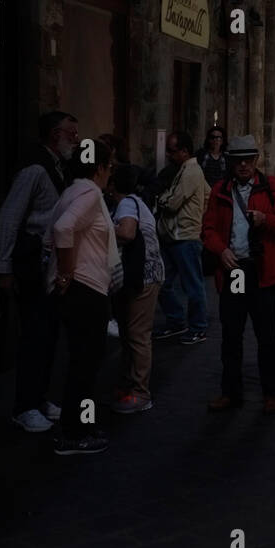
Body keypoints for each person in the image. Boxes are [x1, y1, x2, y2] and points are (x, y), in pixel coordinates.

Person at [0, 111, 80, 432]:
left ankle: (39, 397)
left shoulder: (56, 166)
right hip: (32, 263)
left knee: (48, 335)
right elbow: (8, 218)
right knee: (34, 335)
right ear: (55, 135)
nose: (76, 139)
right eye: (71, 134)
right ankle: (24, 406)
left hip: (50, 264)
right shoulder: (34, 169)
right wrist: (2, 267)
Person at [202, 135, 275, 414]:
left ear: (256, 160)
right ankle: (230, 393)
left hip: (263, 271)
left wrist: (266, 220)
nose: (243, 165)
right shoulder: (220, 190)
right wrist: (220, 250)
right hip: (233, 270)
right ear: (231, 162)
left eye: (248, 159)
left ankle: (272, 393)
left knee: (266, 336)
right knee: (231, 335)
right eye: (238, 160)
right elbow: (207, 229)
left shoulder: (273, 188)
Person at [45, 139, 118, 457]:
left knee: (81, 363)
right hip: (85, 290)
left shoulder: (72, 190)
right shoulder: (89, 192)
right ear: (99, 167)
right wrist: (66, 272)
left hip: (81, 290)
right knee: (86, 366)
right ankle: (76, 433)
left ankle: (80, 427)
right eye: (110, 165)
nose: (110, 172)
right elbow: (62, 229)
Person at [110, 164, 165, 414]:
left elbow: (127, 233)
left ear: (112, 186)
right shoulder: (135, 201)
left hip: (144, 276)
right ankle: (127, 385)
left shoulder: (126, 204)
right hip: (142, 276)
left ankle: (141, 393)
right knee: (130, 333)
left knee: (137, 334)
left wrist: (101, 230)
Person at [154, 131, 211, 346]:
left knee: (193, 286)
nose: (169, 154)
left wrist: (161, 199)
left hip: (184, 237)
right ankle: (177, 321)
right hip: (174, 236)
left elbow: (172, 203)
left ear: (185, 151)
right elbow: (207, 194)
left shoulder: (191, 171)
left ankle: (198, 327)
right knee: (163, 283)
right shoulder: (186, 170)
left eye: (172, 150)